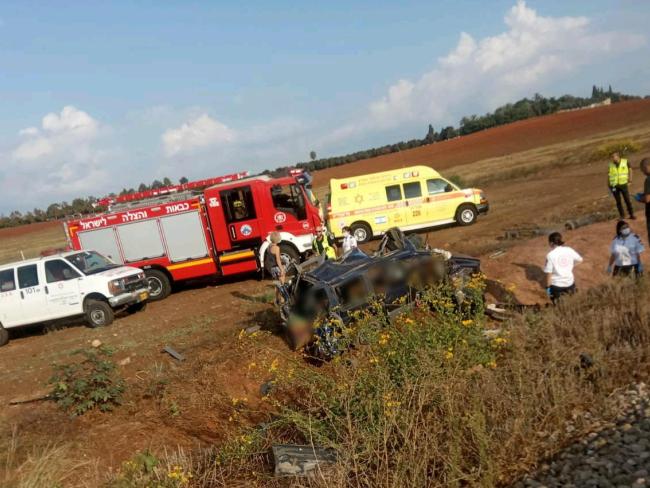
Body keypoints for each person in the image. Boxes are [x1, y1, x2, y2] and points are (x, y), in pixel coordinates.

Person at [543, 232, 583, 304]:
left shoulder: (550, 255)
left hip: (557, 286)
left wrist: (548, 288)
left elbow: (549, 274)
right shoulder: (569, 250)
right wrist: (571, 266)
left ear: (551, 243)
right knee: (572, 303)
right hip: (570, 283)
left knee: (558, 305)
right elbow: (580, 260)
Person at [608, 152, 635, 220]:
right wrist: (609, 185)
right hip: (614, 186)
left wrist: (630, 180)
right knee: (618, 201)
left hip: (623, 184)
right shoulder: (610, 165)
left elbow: (630, 170)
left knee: (627, 200)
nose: (613, 158)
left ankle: (632, 214)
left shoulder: (625, 162)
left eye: (614, 156)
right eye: (611, 157)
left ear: (618, 156)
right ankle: (622, 215)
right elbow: (609, 175)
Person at [266, 232, 286, 304]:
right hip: (277, 268)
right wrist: (282, 269)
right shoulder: (277, 248)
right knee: (282, 284)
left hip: (272, 269)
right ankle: (282, 300)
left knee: (276, 285)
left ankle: (276, 300)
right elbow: (278, 260)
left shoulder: (269, 247)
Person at [635, 158, 650, 245]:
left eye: (642, 170)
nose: (643, 172)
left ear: (646, 167)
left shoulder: (648, 180)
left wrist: (640, 198)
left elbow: (648, 199)